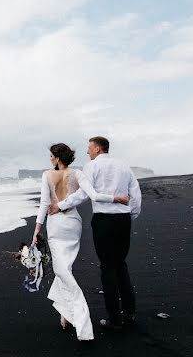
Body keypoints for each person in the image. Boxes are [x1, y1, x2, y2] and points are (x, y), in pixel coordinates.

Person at [32, 143, 130, 341]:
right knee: (64, 268)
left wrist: (37, 230)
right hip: (73, 222)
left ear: (58, 158)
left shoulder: (47, 175)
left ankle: (81, 320)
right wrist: (115, 198)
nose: (50, 159)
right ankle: (65, 314)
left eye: (51, 156)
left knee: (62, 269)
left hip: (57, 225)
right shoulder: (78, 174)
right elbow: (92, 195)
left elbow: (44, 203)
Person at [51, 136, 141, 330]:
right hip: (123, 221)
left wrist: (61, 205)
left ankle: (115, 319)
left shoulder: (91, 167)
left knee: (108, 268)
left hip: (104, 220)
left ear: (98, 149)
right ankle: (130, 312)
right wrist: (129, 216)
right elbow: (136, 194)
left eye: (89, 148)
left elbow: (83, 194)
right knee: (120, 264)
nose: (87, 151)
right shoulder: (124, 166)